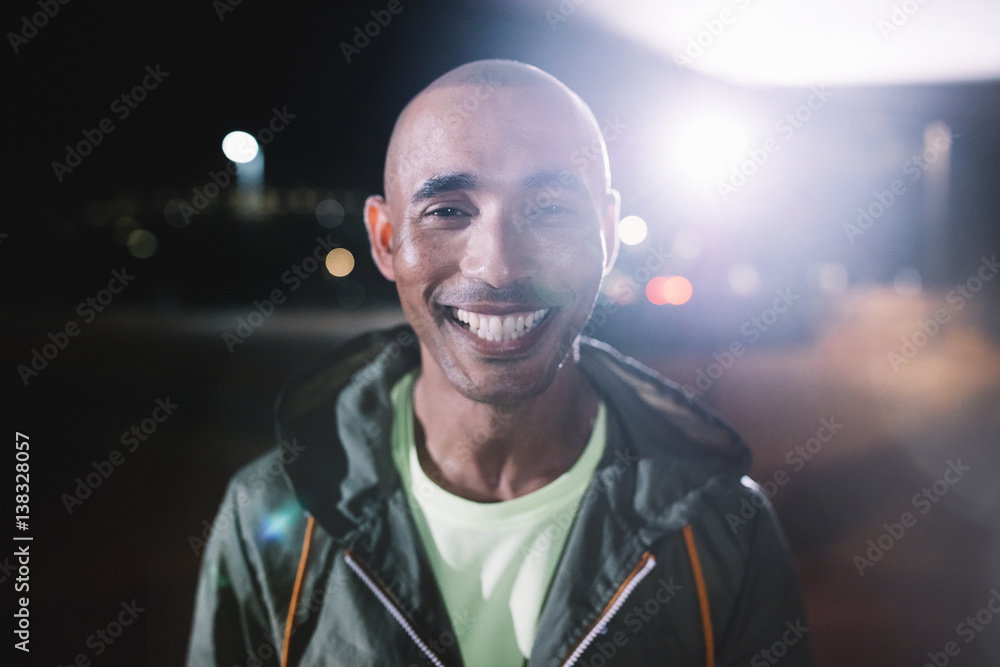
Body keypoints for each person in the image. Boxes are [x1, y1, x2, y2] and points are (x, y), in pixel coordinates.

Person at [187, 59, 812, 667]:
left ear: (607, 234)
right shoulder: (268, 516)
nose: (500, 266)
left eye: (549, 209)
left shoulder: (724, 528)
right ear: (385, 241)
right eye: (449, 211)